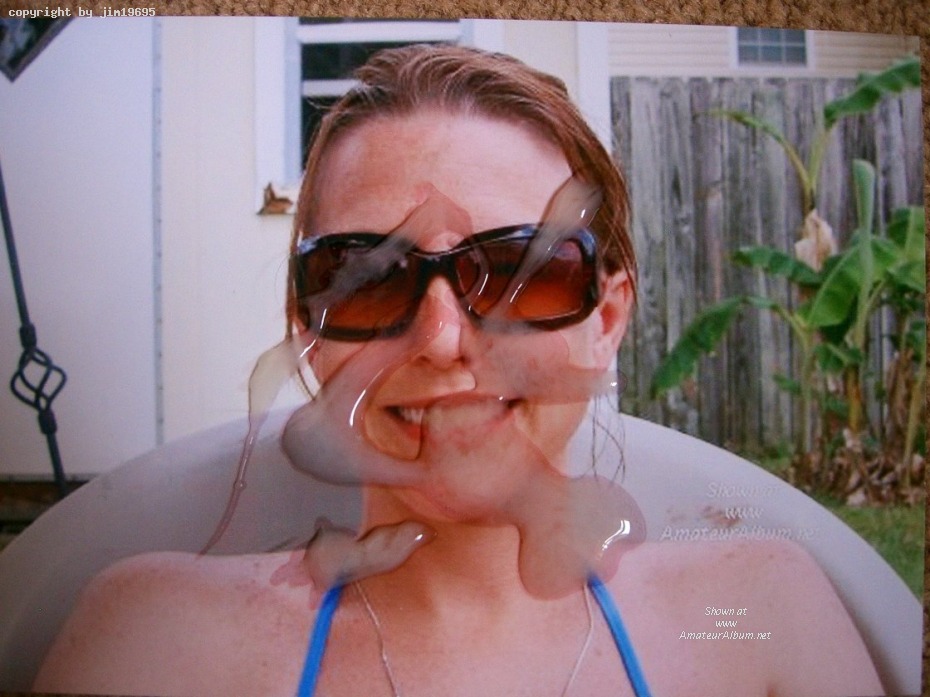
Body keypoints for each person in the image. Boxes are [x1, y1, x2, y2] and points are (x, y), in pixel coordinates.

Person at [34, 45, 882, 697]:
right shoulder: (156, 642)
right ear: (309, 332)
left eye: (520, 272)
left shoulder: (755, 620)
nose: (441, 339)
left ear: (606, 319)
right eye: (367, 279)